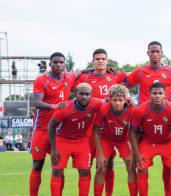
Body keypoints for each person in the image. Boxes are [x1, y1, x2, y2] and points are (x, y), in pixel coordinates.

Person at [73, 48, 127, 196]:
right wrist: (87, 69)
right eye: (97, 59)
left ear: (107, 61)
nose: (100, 61)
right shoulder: (85, 78)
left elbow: (132, 79)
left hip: (109, 126)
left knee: (107, 164)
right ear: (93, 61)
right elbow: (69, 78)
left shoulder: (115, 75)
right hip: (90, 126)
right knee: (87, 165)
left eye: (103, 59)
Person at [29, 52, 77, 196]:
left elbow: (81, 72)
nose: (59, 64)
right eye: (55, 62)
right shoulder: (42, 80)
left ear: (65, 65)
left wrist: (97, 70)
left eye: (61, 62)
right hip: (42, 129)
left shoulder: (69, 76)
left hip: (59, 131)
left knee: (58, 167)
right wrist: (53, 106)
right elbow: (36, 102)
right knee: (37, 165)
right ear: (50, 64)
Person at [48, 83, 103, 196]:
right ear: (76, 94)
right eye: (81, 94)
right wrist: (53, 149)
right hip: (63, 140)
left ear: (91, 95)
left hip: (81, 141)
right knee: (57, 171)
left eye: (87, 94)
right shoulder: (65, 108)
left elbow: (109, 102)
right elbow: (51, 126)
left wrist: (128, 101)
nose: (84, 96)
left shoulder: (96, 103)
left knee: (85, 171)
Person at [129, 82, 171, 196]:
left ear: (165, 94)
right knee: (141, 168)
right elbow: (133, 131)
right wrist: (136, 153)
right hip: (148, 142)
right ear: (149, 94)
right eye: (154, 93)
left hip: (167, 142)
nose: (157, 96)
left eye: (160, 93)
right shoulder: (141, 110)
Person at [93, 84, 137, 196]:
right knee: (101, 167)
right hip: (106, 139)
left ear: (125, 100)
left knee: (130, 165)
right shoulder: (104, 109)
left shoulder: (132, 110)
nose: (117, 103)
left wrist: (133, 153)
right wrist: (100, 154)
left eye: (120, 100)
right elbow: (96, 131)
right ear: (110, 99)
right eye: (114, 100)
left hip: (124, 139)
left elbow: (136, 132)